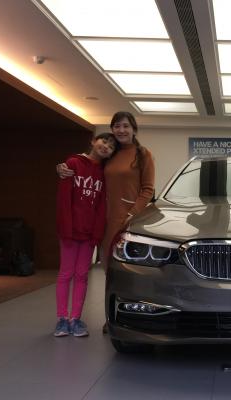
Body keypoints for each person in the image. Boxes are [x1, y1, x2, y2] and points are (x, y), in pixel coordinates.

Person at [57, 112, 156, 334]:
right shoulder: (110, 153)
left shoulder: (143, 154)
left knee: (127, 272)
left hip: (127, 221)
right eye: (117, 126)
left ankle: (129, 317)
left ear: (134, 129)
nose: (121, 130)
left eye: (126, 126)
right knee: (109, 273)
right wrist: (61, 168)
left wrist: (132, 214)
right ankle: (111, 316)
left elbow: (148, 189)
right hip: (102, 222)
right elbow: (87, 167)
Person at [54, 132, 118, 337]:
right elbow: (64, 199)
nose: (106, 146)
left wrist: (96, 234)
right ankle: (62, 319)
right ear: (93, 141)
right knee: (66, 274)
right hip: (70, 231)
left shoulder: (103, 173)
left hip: (89, 235)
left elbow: (101, 206)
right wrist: (66, 228)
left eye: (111, 146)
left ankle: (75, 319)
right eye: (104, 141)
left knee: (82, 275)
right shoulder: (73, 163)